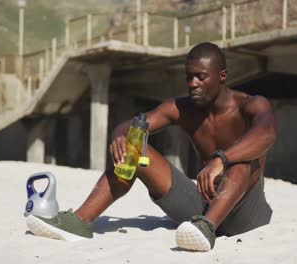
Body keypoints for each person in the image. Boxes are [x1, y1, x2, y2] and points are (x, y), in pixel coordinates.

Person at [26, 42, 276, 251]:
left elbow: (266, 133)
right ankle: (79, 221)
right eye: (188, 77)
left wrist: (221, 158)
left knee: (242, 158)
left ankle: (207, 229)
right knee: (136, 146)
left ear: (222, 77)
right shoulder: (181, 108)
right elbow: (135, 124)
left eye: (200, 76)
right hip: (202, 209)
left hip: (246, 213)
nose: (193, 84)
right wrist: (120, 137)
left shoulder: (250, 104)